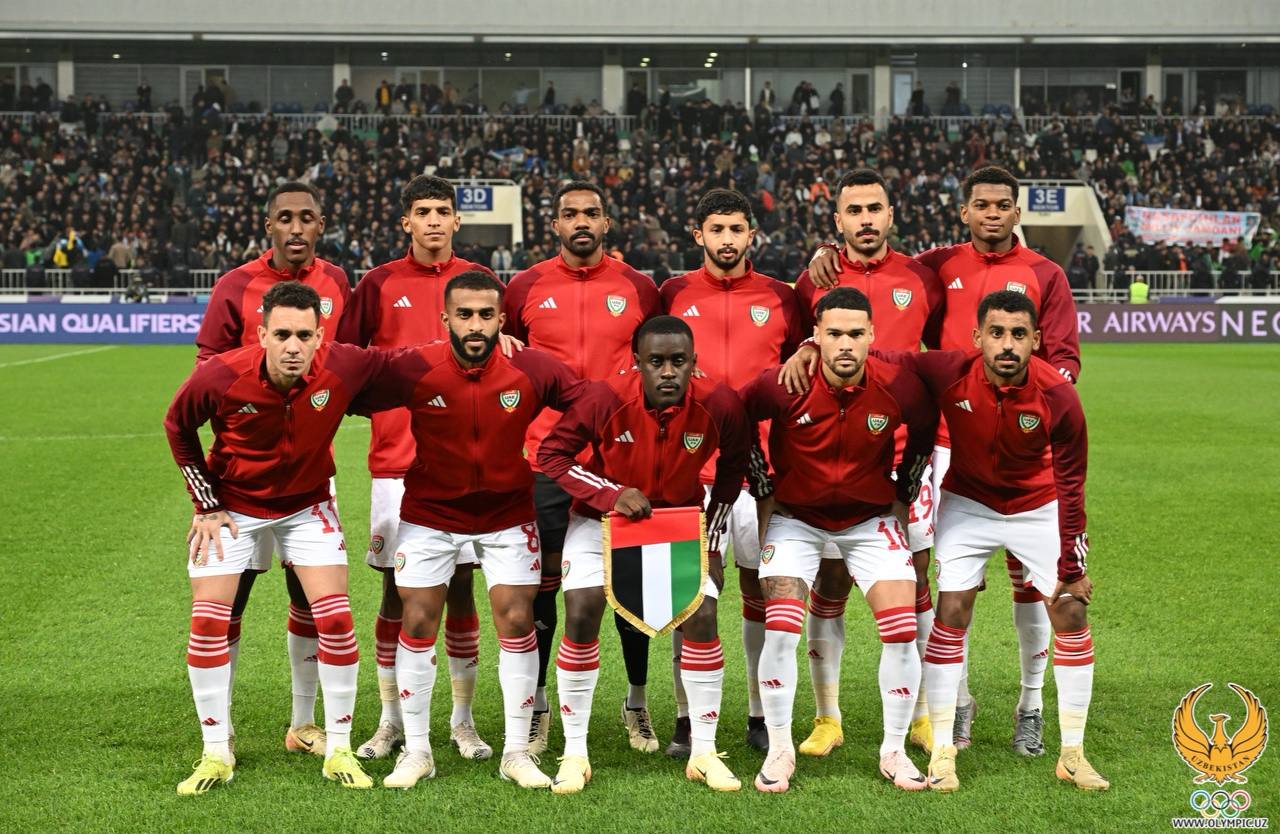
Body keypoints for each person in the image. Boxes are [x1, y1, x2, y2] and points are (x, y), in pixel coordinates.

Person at [801, 165, 1080, 757]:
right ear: (964, 211)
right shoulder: (932, 267)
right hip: (917, 443)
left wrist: (1033, 407)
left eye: (1002, 205)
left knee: (1018, 581)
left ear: (1016, 211)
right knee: (921, 580)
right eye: (982, 204)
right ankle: (946, 702)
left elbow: (1063, 360)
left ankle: (1020, 706)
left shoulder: (1039, 274)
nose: (992, 214)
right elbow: (851, 323)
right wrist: (826, 254)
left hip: (992, 442)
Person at [357, 270, 588, 789]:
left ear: (502, 318)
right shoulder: (416, 365)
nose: (476, 325)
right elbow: (350, 381)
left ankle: (516, 753)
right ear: (446, 318)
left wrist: (558, 450)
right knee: (417, 618)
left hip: (508, 514)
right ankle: (417, 751)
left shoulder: (530, 366)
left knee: (517, 618)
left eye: (486, 315)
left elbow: (588, 400)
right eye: (465, 314)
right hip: (431, 515)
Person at [872, 290, 1106, 793]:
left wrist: (1072, 567)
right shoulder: (950, 371)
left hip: (1037, 506)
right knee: (951, 610)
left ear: (1036, 340)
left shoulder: (1058, 396)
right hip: (969, 505)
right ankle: (943, 750)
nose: (1007, 344)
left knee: (1070, 610)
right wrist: (814, 346)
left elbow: (1072, 485)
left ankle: (1072, 753)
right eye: (996, 333)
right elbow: (892, 358)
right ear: (978, 336)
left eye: (1019, 334)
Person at [164, 281, 382, 794]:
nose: (293, 346)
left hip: (307, 506)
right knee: (209, 620)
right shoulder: (220, 375)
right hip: (233, 506)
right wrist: (206, 503)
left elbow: (409, 363)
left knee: (335, 616)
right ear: (261, 335)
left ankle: (339, 747)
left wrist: (492, 344)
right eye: (282, 334)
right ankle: (216, 751)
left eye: (304, 335)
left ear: (320, 337)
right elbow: (178, 426)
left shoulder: (342, 366)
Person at [537, 316, 752, 793]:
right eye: (656, 362)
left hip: (677, 522)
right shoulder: (604, 397)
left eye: (679, 361)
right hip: (600, 521)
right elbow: (552, 454)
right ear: (637, 363)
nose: (668, 372)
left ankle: (703, 752)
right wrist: (610, 493)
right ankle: (575, 752)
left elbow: (733, 471)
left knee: (702, 613)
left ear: (694, 362)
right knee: (582, 608)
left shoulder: (720, 404)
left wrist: (713, 543)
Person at [741, 287, 937, 793]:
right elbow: (737, 416)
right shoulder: (785, 383)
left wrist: (904, 491)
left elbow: (923, 430)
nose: (845, 344)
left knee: (901, 630)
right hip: (796, 521)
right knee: (780, 629)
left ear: (872, 335)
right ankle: (780, 748)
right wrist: (763, 488)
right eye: (833, 334)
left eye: (855, 333)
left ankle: (894, 749)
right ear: (816, 337)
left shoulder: (898, 386)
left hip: (869, 521)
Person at [334, 175, 500, 762]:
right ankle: (390, 721)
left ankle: (462, 721)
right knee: (395, 592)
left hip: (468, 463)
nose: (433, 220)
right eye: (422, 211)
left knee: (462, 588)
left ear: (457, 221)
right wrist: (378, 409)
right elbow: (345, 362)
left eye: (442, 211)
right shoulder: (379, 283)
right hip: (397, 465)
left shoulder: (479, 281)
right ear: (406, 221)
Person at [789, 169, 944, 758]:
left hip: (906, 453)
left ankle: (924, 714)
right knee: (828, 582)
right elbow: (796, 351)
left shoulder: (922, 277)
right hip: (833, 454)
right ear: (838, 221)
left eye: (874, 208)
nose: (865, 220)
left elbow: (941, 351)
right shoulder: (814, 279)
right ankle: (827, 718)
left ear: (890, 213)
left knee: (915, 579)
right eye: (853, 211)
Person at [503, 180, 662, 755]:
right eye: (570, 213)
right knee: (544, 584)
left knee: (633, 584)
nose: (581, 222)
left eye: (591, 213)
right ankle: (540, 705)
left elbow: (661, 356)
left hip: (621, 456)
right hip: (547, 457)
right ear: (555, 224)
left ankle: (637, 702)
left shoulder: (639, 287)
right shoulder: (524, 287)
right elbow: (506, 354)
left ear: (606, 222)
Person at [195, 181, 352, 759]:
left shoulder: (338, 283)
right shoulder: (234, 285)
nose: (295, 227)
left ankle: (303, 723)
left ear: (320, 225)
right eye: (284, 217)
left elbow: (347, 361)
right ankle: (221, 730)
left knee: (309, 598)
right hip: (240, 476)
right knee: (230, 601)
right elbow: (207, 368)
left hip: (307, 473)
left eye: (306, 217)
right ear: (270, 226)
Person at [658, 189, 804, 755]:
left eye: (736, 229)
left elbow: (802, 367)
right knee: (691, 595)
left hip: (763, 472)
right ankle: (687, 717)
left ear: (751, 235)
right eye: (716, 229)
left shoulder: (781, 298)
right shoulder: (672, 293)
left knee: (761, 590)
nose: (727, 239)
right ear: (698, 234)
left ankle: (759, 713)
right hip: (692, 469)